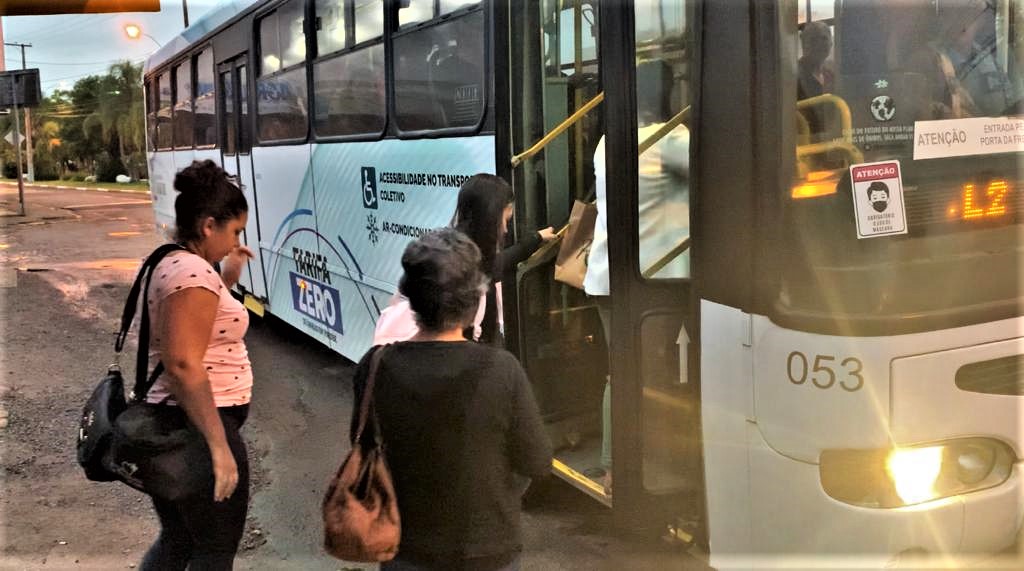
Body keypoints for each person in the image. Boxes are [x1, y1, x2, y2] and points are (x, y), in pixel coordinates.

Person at [351, 228, 552, 571]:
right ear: (474, 301)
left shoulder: (375, 365)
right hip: (488, 549)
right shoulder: (501, 369)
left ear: (411, 299)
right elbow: (537, 461)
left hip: (404, 547)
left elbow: (363, 445)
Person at [140, 159, 255, 570]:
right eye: (234, 231)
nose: (235, 241)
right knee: (214, 551)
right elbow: (184, 364)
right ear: (208, 226)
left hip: (178, 423)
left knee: (180, 540)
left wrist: (227, 279)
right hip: (198, 429)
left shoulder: (175, 261)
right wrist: (218, 447)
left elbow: (198, 322)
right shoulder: (191, 273)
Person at [584, 60, 691, 493]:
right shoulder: (675, 140)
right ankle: (630, 467)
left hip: (608, 276)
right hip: (656, 278)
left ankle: (616, 467)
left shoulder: (608, 141)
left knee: (622, 371)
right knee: (654, 374)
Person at [374, 174, 554, 346]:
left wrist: (536, 239)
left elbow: (498, 263)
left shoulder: (460, 249)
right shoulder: (458, 264)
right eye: (503, 221)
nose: (505, 229)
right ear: (488, 219)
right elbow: (494, 266)